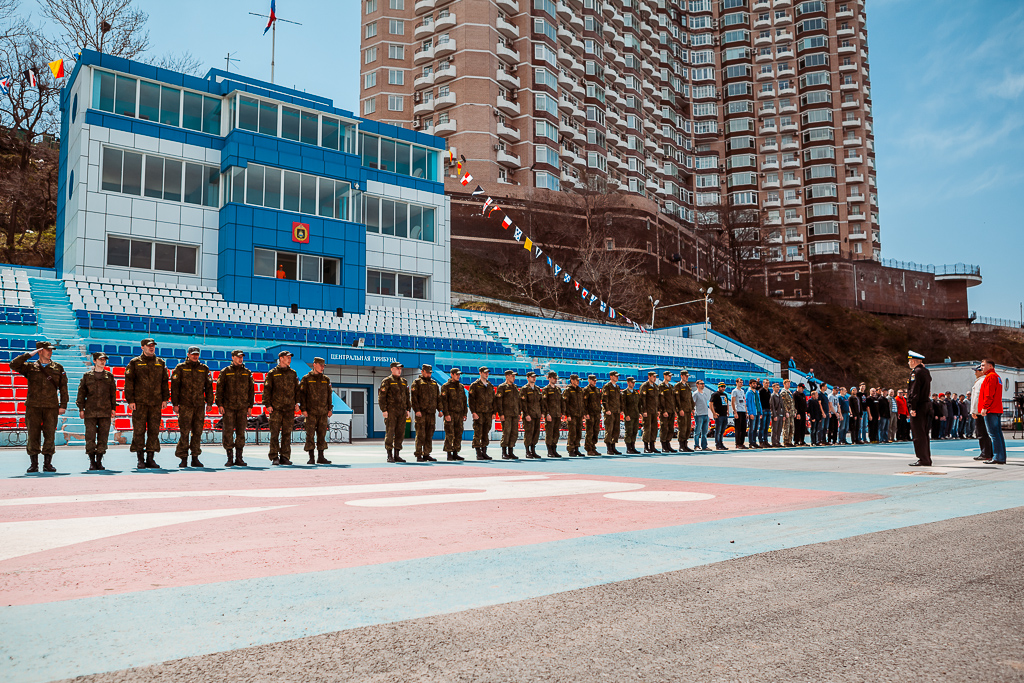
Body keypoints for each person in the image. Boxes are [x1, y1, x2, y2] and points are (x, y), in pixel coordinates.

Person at [13, 341, 69, 473]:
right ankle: (34, 464)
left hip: (51, 407)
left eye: (51, 350)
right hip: (33, 406)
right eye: (47, 350)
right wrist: (29, 354)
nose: (50, 352)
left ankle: (47, 464)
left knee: (49, 434)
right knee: (33, 435)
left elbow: (63, 388)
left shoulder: (58, 368)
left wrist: (63, 405)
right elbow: (13, 364)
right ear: (39, 351)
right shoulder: (30, 367)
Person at [124, 338, 169, 470]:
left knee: (154, 431)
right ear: (142, 347)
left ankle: (151, 458)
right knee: (139, 431)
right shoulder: (134, 363)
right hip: (139, 403)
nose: (151, 348)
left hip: (155, 403)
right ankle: (140, 459)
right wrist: (130, 400)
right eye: (149, 346)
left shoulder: (160, 363)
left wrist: (165, 399)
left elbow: (164, 382)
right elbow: (129, 383)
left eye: (153, 346)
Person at [170, 345, 214, 468]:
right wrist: (175, 404)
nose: (195, 356)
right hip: (185, 405)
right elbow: (175, 387)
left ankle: (195, 457)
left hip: (199, 405)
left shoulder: (203, 369)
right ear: (188, 354)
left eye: (197, 354)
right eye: (193, 354)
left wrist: (209, 403)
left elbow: (209, 387)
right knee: (184, 432)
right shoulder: (180, 368)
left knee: (197, 432)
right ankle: (183, 458)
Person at [76, 351, 117, 471]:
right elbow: (81, 393)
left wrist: (113, 408)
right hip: (90, 411)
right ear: (94, 361)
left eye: (104, 359)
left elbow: (113, 394)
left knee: (103, 437)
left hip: (105, 411)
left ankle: (99, 460)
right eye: (100, 359)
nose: (103, 361)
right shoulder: (87, 376)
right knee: (90, 437)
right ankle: (92, 461)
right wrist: (81, 408)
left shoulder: (109, 376)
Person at [216, 350, 254, 467]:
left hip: (242, 407)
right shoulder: (225, 372)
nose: (240, 359)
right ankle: (229, 457)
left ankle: (239, 457)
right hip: (228, 407)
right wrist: (220, 405)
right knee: (227, 432)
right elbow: (219, 389)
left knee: (241, 433)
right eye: (238, 357)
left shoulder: (247, 372)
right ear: (232, 357)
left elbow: (251, 390)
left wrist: (250, 406)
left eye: (242, 357)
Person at [266, 350, 300, 465]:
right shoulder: (272, 373)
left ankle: (285, 456)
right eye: (287, 357)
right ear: (281, 358)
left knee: (287, 433)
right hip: (276, 408)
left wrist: (297, 403)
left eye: (290, 357)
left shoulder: (293, 373)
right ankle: (274, 456)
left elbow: (297, 390)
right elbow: (267, 390)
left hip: (289, 409)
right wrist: (268, 405)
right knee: (274, 433)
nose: (289, 359)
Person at [298, 356, 335, 464]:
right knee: (310, 435)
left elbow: (329, 395)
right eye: (320, 365)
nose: (322, 367)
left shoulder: (326, 379)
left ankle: (321, 456)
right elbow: (302, 395)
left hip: (323, 412)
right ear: (314, 365)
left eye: (323, 365)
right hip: (310, 412)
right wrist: (303, 409)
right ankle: (311, 457)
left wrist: (329, 408)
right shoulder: (306, 379)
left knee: (322, 434)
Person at [907, 351, 933, 467]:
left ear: (913, 361)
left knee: (918, 434)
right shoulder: (925, 371)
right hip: (926, 404)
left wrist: (912, 406)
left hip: (918, 406)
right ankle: (927, 458)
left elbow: (914, 391)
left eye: (909, 361)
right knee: (924, 433)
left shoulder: (916, 373)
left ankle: (923, 459)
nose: (908, 363)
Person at [978, 358, 1006, 465]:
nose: (981, 367)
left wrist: (985, 407)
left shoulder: (990, 377)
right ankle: (1000, 456)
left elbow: (989, 394)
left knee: (993, 434)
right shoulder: (997, 377)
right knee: (998, 434)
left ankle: (998, 457)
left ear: (991, 366)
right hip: (996, 408)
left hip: (991, 409)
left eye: (983, 365)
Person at [410, 364, 440, 462]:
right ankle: (419, 454)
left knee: (429, 434)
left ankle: (427, 453)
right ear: (422, 371)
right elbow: (414, 399)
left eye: (430, 372)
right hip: (421, 413)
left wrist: (440, 410)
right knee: (420, 434)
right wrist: (417, 410)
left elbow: (438, 398)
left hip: (431, 413)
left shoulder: (434, 383)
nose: (429, 374)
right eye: (427, 372)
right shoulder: (417, 383)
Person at [439, 367, 467, 461]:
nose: (458, 376)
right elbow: (444, 401)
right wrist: (446, 414)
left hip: (459, 414)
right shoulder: (446, 386)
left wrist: (465, 413)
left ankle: (456, 452)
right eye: (456, 374)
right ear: (452, 374)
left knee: (459, 433)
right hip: (450, 413)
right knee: (450, 433)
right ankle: (449, 453)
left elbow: (464, 401)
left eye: (459, 374)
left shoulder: (461, 387)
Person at [468, 367, 495, 460]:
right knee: (478, 432)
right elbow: (471, 400)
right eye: (485, 373)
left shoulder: (490, 386)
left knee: (485, 433)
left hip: (488, 413)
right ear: (480, 373)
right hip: (479, 413)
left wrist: (493, 412)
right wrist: (473, 412)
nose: (487, 374)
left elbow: (493, 400)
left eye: (488, 373)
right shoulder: (475, 385)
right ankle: (478, 452)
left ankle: (484, 452)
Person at [969, 365, 992, 462]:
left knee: (981, 433)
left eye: (976, 371)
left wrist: (973, 411)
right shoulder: (985, 380)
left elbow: (976, 398)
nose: (975, 373)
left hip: (979, 411)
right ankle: (988, 453)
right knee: (985, 433)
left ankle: (985, 453)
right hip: (984, 411)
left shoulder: (980, 382)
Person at [496, 369, 521, 460]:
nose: (514, 378)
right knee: (506, 433)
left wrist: (518, 413)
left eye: (514, 376)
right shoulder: (502, 387)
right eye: (512, 376)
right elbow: (499, 402)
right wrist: (501, 414)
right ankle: (504, 452)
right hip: (506, 414)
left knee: (514, 433)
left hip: (514, 414)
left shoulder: (515, 387)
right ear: (507, 376)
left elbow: (518, 401)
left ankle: (511, 451)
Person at [519, 371, 543, 458]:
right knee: (529, 433)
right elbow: (523, 403)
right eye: (532, 377)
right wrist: (526, 414)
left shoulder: (537, 389)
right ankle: (527, 451)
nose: (534, 378)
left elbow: (541, 402)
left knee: (536, 433)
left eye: (535, 377)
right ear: (528, 378)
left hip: (536, 414)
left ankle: (533, 450)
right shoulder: (524, 389)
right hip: (529, 415)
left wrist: (542, 413)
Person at [541, 370, 564, 457]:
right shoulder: (546, 389)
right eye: (553, 378)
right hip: (550, 414)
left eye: (556, 378)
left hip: (557, 414)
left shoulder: (558, 389)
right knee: (549, 433)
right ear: (549, 378)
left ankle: (554, 449)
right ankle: (549, 450)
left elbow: (561, 402)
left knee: (556, 433)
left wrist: (562, 413)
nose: (555, 380)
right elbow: (544, 403)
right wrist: (547, 414)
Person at [602, 371, 623, 455]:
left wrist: (621, 409)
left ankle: (613, 447)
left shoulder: (617, 387)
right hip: (610, 412)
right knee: (609, 429)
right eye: (615, 376)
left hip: (616, 411)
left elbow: (620, 399)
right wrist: (607, 409)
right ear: (611, 376)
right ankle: (609, 448)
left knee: (616, 430)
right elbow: (604, 399)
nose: (617, 377)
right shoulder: (607, 386)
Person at [639, 371, 660, 453]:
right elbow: (642, 400)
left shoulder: (656, 387)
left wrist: (658, 410)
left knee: (654, 429)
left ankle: (652, 446)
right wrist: (643, 411)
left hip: (654, 411)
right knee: (647, 429)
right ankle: (646, 446)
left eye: (655, 377)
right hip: (647, 411)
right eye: (653, 377)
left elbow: (657, 400)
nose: (654, 378)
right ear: (649, 376)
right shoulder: (644, 386)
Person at [563, 373, 584, 457]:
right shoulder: (568, 390)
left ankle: (576, 448)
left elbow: (582, 403)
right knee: (572, 433)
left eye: (578, 380)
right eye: (576, 380)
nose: (578, 382)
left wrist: (583, 413)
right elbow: (565, 403)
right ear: (572, 380)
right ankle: (571, 449)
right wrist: (567, 415)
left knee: (578, 432)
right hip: (571, 415)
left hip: (579, 414)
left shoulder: (579, 390)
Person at [583, 374, 603, 456]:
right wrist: (586, 413)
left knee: (596, 431)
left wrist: (599, 412)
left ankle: (593, 446)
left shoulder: (597, 390)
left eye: (595, 381)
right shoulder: (586, 390)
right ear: (589, 380)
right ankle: (588, 448)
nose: (595, 382)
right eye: (593, 380)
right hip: (590, 414)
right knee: (590, 431)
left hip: (596, 414)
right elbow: (584, 403)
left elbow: (599, 402)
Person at [675, 370, 694, 453]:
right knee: (682, 428)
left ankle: (685, 444)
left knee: (687, 428)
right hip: (682, 410)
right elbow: (677, 399)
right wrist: (679, 409)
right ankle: (681, 445)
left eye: (687, 376)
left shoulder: (688, 386)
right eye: (685, 376)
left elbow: (690, 398)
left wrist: (692, 408)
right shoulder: (678, 386)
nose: (686, 377)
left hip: (688, 410)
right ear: (681, 376)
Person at [658, 371, 677, 453]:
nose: (670, 377)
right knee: (664, 428)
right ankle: (663, 445)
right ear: (664, 376)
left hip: (671, 411)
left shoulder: (670, 387)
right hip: (665, 411)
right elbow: (660, 400)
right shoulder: (661, 387)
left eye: (671, 376)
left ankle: (668, 443)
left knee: (671, 429)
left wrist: (674, 410)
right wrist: (663, 410)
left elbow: (673, 400)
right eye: (669, 376)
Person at [622, 376, 641, 454]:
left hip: (635, 415)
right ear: (628, 382)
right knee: (629, 431)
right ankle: (628, 447)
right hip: (629, 415)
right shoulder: (625, 393)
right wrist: (626, 415)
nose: (633, 384)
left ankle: (633, 447)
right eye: (632, 382)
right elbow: (623, 405)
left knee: (634, 431)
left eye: (634, 382)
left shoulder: (636, 392)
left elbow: (639, 404)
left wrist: (640, 413)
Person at [692, 379, 711, 451]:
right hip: (699, 414)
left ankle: (704, 446)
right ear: (697, 385)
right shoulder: (695, 394)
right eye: (701, 384)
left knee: (704, 432)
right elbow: (693, 403)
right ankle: (696, 445)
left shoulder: (705, 393)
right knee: (697, 431)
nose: (703, 385)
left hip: (705, 414)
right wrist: (693, 411)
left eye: (703, 384)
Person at [710, 382, 730, 450]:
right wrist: (714, 413)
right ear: (719, 387)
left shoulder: (725, 394)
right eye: (722, 387)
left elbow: (726, 403)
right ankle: (717, 444)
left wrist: (727, 410)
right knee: (718, 431)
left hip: (724, 414)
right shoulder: (715, 394)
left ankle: (721, 443)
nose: (723, 388)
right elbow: (711, 403)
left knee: (722, 431)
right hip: (719, 415)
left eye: (724, 387)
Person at [731, 378, 748, 449]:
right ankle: (737, 443)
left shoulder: (742, 391)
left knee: (743, 428)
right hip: (738, 410)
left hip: (743, 410)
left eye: (742, 382)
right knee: (738, 428)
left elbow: (744, 402)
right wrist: (735, 411)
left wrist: (746, 412)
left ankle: (742, 443)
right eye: (740, 382)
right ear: (736, 383)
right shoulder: (734, 391)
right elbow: (732, 402)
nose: (741, 383)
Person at [744, 379, 762, 449]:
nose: (755, 385)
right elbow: (748, 403)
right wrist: (750, 413)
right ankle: (751, 443)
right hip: (753, 413)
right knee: (752, 428)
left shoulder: (757, 392)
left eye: (755, 384)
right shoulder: (749, 393)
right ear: (750, 384)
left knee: (755, 429)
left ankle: (754, 442)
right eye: (753, 384)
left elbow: (759, 402)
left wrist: (760, 412)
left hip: (757, 412)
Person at [781, 379, 795, 447]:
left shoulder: (789, 392)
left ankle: (790, 441)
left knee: (792, 428)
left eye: (789, 383)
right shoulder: (783, 392)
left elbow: (793, 403)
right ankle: (786, 441)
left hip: (791, 412)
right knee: (786, 427)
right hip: (787, 412)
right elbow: (783, 404)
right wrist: (786, 412)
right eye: (787, 383)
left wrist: (794, 411)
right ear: (784, 384)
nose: (789, 385)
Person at [769, 382, 785, 448]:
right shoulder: (772, 396)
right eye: (776, 387)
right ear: (773, 388)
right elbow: (772, 406)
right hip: (776, 415)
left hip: (780, 414)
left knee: (779, 429)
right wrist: (774, 415)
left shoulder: (779, 395)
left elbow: (782, 406)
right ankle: (774, 442)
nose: (778, 388)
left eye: (778, 387)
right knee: (774, 429)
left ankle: (778, 441)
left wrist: (783, 414)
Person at [758, 379, 772, 447]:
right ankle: (761, 441)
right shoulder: (761, 391)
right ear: (763, 383)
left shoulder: (769, 391)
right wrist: (760, 411)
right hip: (763, 410)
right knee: (762, 427)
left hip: (768, 410)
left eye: (768, 383)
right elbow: (759, 401)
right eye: (766, 383)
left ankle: (766, 440)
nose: (767, 384)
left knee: (766, 427)